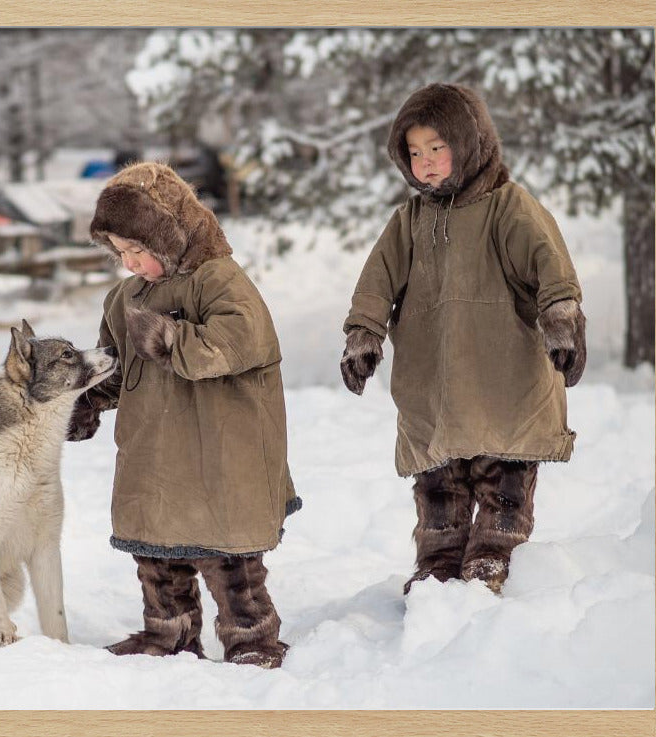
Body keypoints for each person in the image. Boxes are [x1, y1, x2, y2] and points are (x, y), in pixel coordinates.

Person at [339, 83, 587, 595]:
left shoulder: (507, 206)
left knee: (503, 485)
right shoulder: (408, 221)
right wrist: (363, 334)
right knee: (438, 486)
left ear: (469, 143)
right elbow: (376, 282)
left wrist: (562, 318)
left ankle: (494, 551)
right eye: (414, 153)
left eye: (437, 148)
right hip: (434, 390)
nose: (426, 163)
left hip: (503, 384)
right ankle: (439, 561)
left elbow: (549, 264)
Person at [68, 161, 300, 668]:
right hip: (152, 451)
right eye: (120, 252)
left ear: (170, 235)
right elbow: (116, 364)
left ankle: (252, 637)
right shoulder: (123, 298)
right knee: (155, 554)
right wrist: (85, 399)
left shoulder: (219, 279)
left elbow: (243, 340)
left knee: (228, 559)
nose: (130, 264)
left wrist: (174, 339)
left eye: (138, 250)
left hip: (218, 450)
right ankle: (168, 632)